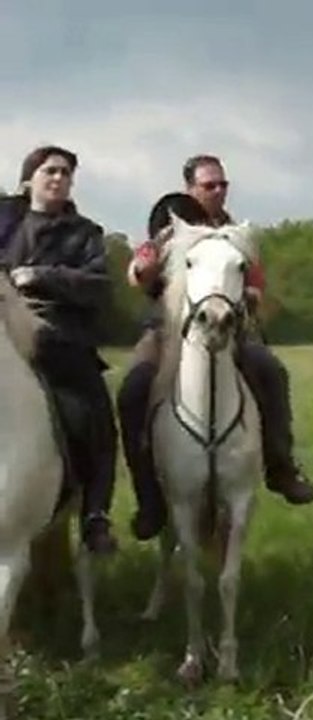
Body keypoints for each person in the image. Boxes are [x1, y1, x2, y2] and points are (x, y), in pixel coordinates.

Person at [117, 154, 313, 541]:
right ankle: (149, 498)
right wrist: (152, 259)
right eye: (210, 185)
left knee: (270, 371)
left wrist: (247, 299)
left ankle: (281, 468)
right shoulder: (167, 225)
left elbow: (256, 285)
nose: (219, 191)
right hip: (166, 330)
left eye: (223, 184)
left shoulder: (236, 235)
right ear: (190, 189)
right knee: (133, 389)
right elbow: (136, 276)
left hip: (229, 328)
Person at [0, 145, 118, 553]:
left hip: (61, 342)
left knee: (95, 413)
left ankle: (95, 514)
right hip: (3, 336)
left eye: (66, 173)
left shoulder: (85, 233)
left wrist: (43, 276)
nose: (59, 178)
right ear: (28, 178)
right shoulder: (5, 221)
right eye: (50, 171)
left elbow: (98, 286)